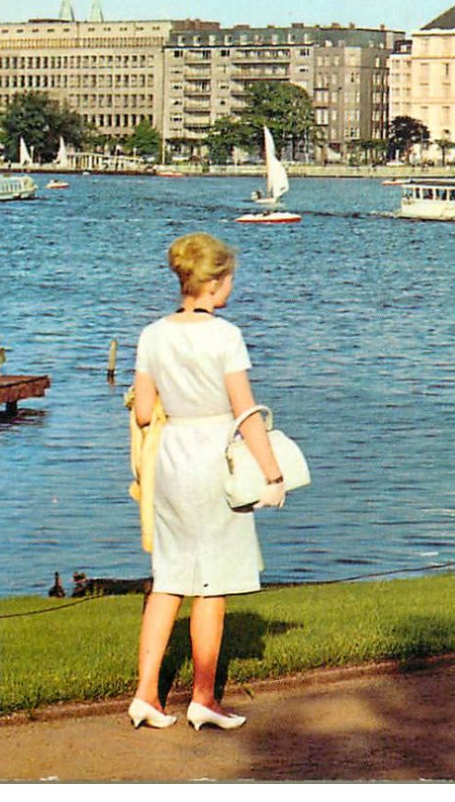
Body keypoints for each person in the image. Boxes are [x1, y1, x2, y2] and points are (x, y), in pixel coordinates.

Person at [127, 232, 285, 732]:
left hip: (172, 459)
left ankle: (147, 696)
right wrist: (272, 472)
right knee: (211, 584)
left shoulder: (152, 334)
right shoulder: (225, 336)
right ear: (215, 282)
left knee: (168, 580)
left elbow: (147, 412)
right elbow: (246, 412)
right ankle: (203, 698)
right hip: (215, 455)